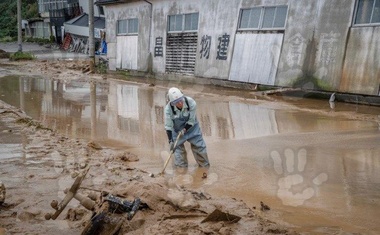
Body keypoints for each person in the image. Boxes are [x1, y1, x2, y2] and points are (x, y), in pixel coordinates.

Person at [164, 87, 210, 168]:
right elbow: (168, 127)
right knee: (178, 153)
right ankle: (181, 172)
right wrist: (171, 141)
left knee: (199, 147)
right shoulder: (168, 109)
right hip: (176, 130)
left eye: (181, 100)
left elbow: (191, 121)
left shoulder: (191, 102)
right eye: (176, 102)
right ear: (172, 103)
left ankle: (204, 168)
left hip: (192, 128)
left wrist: (185, 129)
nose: (180, 103)